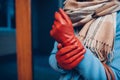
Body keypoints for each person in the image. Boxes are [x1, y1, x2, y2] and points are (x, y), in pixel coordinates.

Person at [49, 0, 120, 80]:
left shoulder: (117, 17)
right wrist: (60, 64)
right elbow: (53, 57)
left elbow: (116, 76)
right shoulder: (71, 11)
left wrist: (74, 47)